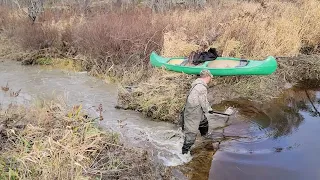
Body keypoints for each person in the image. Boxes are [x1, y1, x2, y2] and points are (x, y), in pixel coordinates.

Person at [181, 69, 214, 154]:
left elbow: (202, 101)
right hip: (193, 113)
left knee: (204, 122)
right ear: (208, 77)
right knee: (191, 135)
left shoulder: (196, 83)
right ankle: (184, 153)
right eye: (210, 77)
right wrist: (209, 109)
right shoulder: (202, 87)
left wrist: (207, 109)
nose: (211, 79)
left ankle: (205, 138)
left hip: (197, 110)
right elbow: (204, 102)